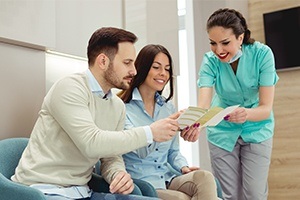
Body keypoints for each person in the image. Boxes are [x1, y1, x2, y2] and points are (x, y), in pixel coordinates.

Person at [11, 27, 182, 200]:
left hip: (83, 191)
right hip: (43, 191)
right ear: (103, 61)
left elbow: (110, 156)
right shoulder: (69, 88)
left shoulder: (116, 105)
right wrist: (150, 132)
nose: (134, 71)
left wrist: (117, 174)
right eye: (127, 62)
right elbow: (92, 143)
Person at [193, 8, 279, 200]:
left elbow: (265, 108)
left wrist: (246, 114)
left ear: (240, 38)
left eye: (225, 43)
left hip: (257, 128)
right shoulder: (210, 61)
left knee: (254, 195)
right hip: (222, 129)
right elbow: (203, 103)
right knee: (228, 195)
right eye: (213, 43)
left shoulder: (262, 54)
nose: (219, 50)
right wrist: (195, 123)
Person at [118, 44, 218, 200]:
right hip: (142, 182)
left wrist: (183, 167)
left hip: (167, 177)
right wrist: (162, 128)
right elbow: (140, 150)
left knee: (204, 177)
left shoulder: (168, 108)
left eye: (167, 69)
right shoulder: (123, 109)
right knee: (180, 198)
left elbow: (173, 152)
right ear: (142, 68)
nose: (163, 74)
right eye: (156, 67)